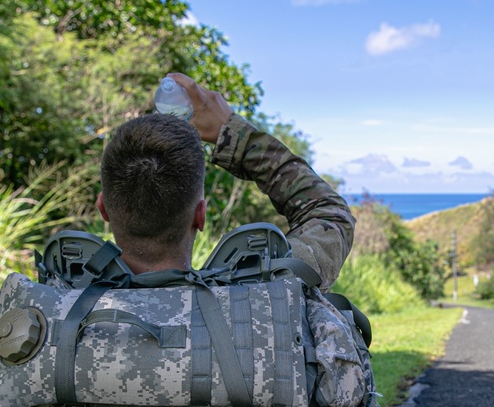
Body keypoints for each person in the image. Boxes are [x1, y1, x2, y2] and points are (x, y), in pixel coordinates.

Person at [96, 73, 354, 290]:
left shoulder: (59, 301)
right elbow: (330, 213)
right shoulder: (269, 295)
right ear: (201, 215)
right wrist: (233, 135)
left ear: (103, 207)